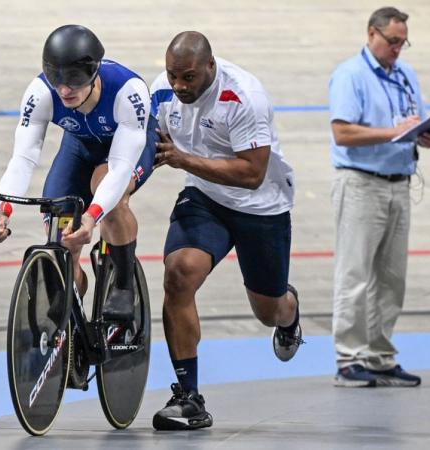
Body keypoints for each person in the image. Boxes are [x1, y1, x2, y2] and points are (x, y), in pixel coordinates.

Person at [149, 31, 302, 431]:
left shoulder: (245, 96)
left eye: (188, 78)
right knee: (178, 274)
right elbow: (144, 148)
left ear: (211, 67)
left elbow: (252, 174)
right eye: (173, 76)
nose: (179, 86)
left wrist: (184, 159)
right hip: (205, 198)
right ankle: (188, 397)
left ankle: (289, 311)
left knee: (268, 311)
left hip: (260, 205)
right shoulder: (161, 92)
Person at [0, 25, 158, 320]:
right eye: (57, 80)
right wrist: (3, 209)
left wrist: (91, 217)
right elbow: (23, 158)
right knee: (60, 232)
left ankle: (124, 285)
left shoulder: (129, 93)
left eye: (75, 81)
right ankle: (72, 310)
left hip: (126, 149)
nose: (64, 90)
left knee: (108, 196)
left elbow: (119, 168)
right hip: (80, 147)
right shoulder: (40, 93)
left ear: (93, 73)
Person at [328, 7, 430, 388]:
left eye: (402, 42)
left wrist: (425, 133)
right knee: (355, 274)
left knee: (392, 279)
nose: (398, 49)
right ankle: (349, 358)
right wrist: (392, 133)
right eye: (392, 41)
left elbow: (412, 122)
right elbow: (342, 133)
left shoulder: (405, 74)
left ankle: (379, 356)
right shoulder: (350, 75)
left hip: (399, 183)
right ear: (371, 34)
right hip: (361, 184)